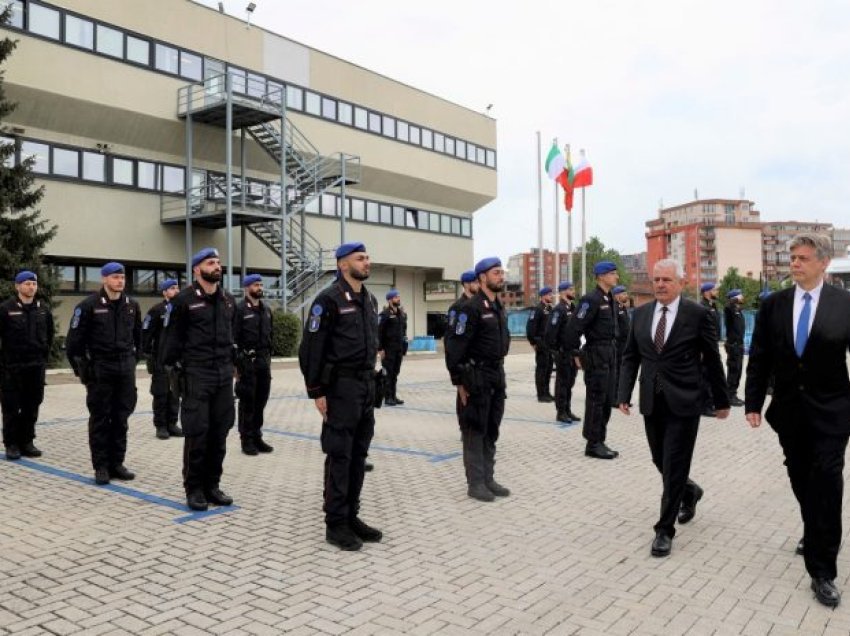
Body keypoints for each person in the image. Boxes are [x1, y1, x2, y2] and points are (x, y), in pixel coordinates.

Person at [745, 233, 850, 608]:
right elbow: (759, 357)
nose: (795, 263)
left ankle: (823, 571)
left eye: (803, 258)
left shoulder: (844, 304)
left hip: (833, 412)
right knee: (800, 476)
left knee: (827, 482)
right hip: (789, 412)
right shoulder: (773, 305)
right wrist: (753, 402)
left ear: (823, 263)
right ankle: (814, 528)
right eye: (792, 257)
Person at [617, 259, 730, 558]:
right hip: (652, 400)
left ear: (681, 283)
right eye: (656, 280)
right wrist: (623, 394)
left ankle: (664, 530)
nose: (660, 285)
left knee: (675, 463)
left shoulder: (697, 314)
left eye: (667, 279)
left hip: (685, 402)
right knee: (660, 460)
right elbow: (630, 356)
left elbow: (712, 359)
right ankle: (690, 491)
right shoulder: (639, 314)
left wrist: (721, 400)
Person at [298, 241, 383, 551]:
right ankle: (335, 524)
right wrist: (317, 391)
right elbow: (311, 349)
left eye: (368, 256)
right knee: (340, 454)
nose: (367, 262)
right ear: (343, 264)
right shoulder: (328, 300)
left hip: (365, 387)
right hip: (340, 389)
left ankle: (352, 516)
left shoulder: (370, 300)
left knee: (359, 455)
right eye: (361, 258)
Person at [162, 248, 237, 512]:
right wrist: (173, 372)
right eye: (210, 262)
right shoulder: (183, 300)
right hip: (197, 374)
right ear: (196, 269)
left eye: (218, 262)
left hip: (223, 375)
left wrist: (234, 366)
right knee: (197, 432)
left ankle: (212, 486)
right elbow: (171, 341)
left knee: (220, 431)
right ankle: (194, 489)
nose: (217, 266)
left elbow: (233, 336)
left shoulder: (228, 300)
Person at [66, 262, 141, 485]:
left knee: (121, 418)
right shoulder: (88, 306)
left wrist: (132, 361)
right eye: (115, 277)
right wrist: (84, 372)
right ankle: (101, 466)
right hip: (101, 370)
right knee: (100, 419)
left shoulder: (131, 305)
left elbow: (139, 339)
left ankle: (116, 463)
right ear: (104, 279)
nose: (120, 281)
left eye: (123, 277)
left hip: (125, 369)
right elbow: (73, 345)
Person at [445, 257, 511, 502]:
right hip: (476, 376)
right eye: (496, 273)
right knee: (475, 429)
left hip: (496, 374)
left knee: (492, 428)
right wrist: (460, 383)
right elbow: (454, 349)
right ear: (482, 277)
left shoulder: (497, 306)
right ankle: (475, 483)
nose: (501, 277)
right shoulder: (469, 308)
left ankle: (488, 478)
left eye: (502, 272)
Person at [564, 261, 620, 459]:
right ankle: (592, 443)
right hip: (596, 354)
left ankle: (600, 440)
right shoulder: (591, 299)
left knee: (606, 400)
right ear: (601, 276)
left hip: (609, 352)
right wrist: (575, 354)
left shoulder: (610, 298)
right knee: (596, 400)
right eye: (613, 274)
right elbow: (573, 328)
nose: (617, 277)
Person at [0, 271, 54, 460]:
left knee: (32, 406)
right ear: (17, 286)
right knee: (11, 407)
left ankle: (27, 441)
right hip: (12, 367)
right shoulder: (6, 308)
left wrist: (42, 358)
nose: (31, 287)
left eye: (34, 283)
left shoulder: (42, 309)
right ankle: (11, 444)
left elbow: (49, 335)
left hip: (35, 367)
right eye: (27, 283)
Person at [234, 274, 274, 456]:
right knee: (247, 403)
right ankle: (246, 440)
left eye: (260, 284)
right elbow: (232, 338)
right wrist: (236, 365)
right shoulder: (239, 309)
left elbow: (269, 336)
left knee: (261, 402)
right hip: (246, 363)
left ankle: (257, 436)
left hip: (263, 362)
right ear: (246, 288)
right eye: (255, 285)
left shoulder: (266, 310)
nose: (259, 287)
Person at [141, 278, 182, 440]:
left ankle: (172, 423)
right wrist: (149, 355)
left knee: (175, 393)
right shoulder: (156, 310)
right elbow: (146, 333)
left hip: (177, 359)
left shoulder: (183, 309)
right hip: (161, 359)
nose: (176, 291)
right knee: (161, 393)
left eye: (177, 288)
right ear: (164, 292)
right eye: (172, 288)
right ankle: (161, 426)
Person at [545, 280, 581, 423]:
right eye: (570, 289)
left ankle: (567, 410)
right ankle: (561, 412)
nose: (573, 291)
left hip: (573, 353)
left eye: (573, 289)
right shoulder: (558, 310)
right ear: (562, 292)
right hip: (563, 352)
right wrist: (556, 350)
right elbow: (550, 333)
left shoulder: (573, 308)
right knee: (562, 383)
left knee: (569, 383)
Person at [378, 289, 408, 406]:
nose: (398, 299)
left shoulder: (401, 314)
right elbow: (378, 332)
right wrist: (380, 349)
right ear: (390, 300)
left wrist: (404, 346)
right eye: (396, 297)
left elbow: (403, 331)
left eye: (399, 297)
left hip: (398, 349)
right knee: (388, 373)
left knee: (395, 373)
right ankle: (387, 397)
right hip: (388, 349)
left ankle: (393, 396)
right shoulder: (384, 314)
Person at [526, 286, 555, 402]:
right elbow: (530, 329)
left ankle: (547, 392)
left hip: (549, 345)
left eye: (551, 294)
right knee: (542, 370)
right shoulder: (537, 309)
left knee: (548, 369)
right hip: (541, 343)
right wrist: (534, 343)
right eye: (549, 295)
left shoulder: (549, 309)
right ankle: (541, 394)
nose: (551, 296)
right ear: (543, 296)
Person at [699, 282, 722, 417]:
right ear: (707, 292)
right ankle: (705, 407)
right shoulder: (702, 307)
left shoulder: (712, 305)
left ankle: (711, 402)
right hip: (706, 347)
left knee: (712, 375)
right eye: (714, 290)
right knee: (705, 377)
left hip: (713, 345)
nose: (717, 292)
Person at [723, 289, 746, 406]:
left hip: (739, 345)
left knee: (738, 371)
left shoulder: (738, 310)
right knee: (733, 371)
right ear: (735, 297)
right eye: (740, 295)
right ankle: (729, 396)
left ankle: (734, 394)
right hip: (733, 346)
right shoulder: (729, 310)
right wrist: (733, 299)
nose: (743, 297)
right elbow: (727, 306)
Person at [612, 284, 630, 401]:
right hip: (618, 344)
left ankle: (621, 398)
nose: (626, 296)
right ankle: (614, 398)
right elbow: (616, 327)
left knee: (623, 372)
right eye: (623, 294)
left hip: (625, 344)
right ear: (617, 295)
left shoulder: (622, 308)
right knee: (617, 371)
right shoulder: (615, 308)